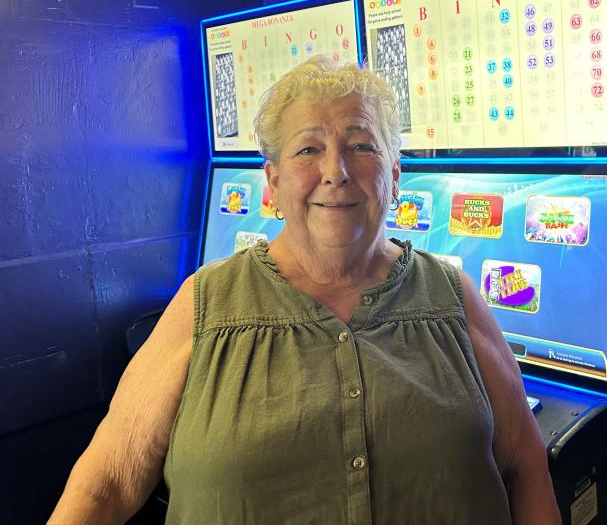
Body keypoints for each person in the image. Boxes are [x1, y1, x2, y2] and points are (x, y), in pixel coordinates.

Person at [50, 57, 560, 524]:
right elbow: (107, 484)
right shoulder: (205, 303)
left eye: (361, 146)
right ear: (271, 182)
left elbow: (526, 466)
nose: (336, 172)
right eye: (308, 150)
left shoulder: (453, 296)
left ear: (396, 173)